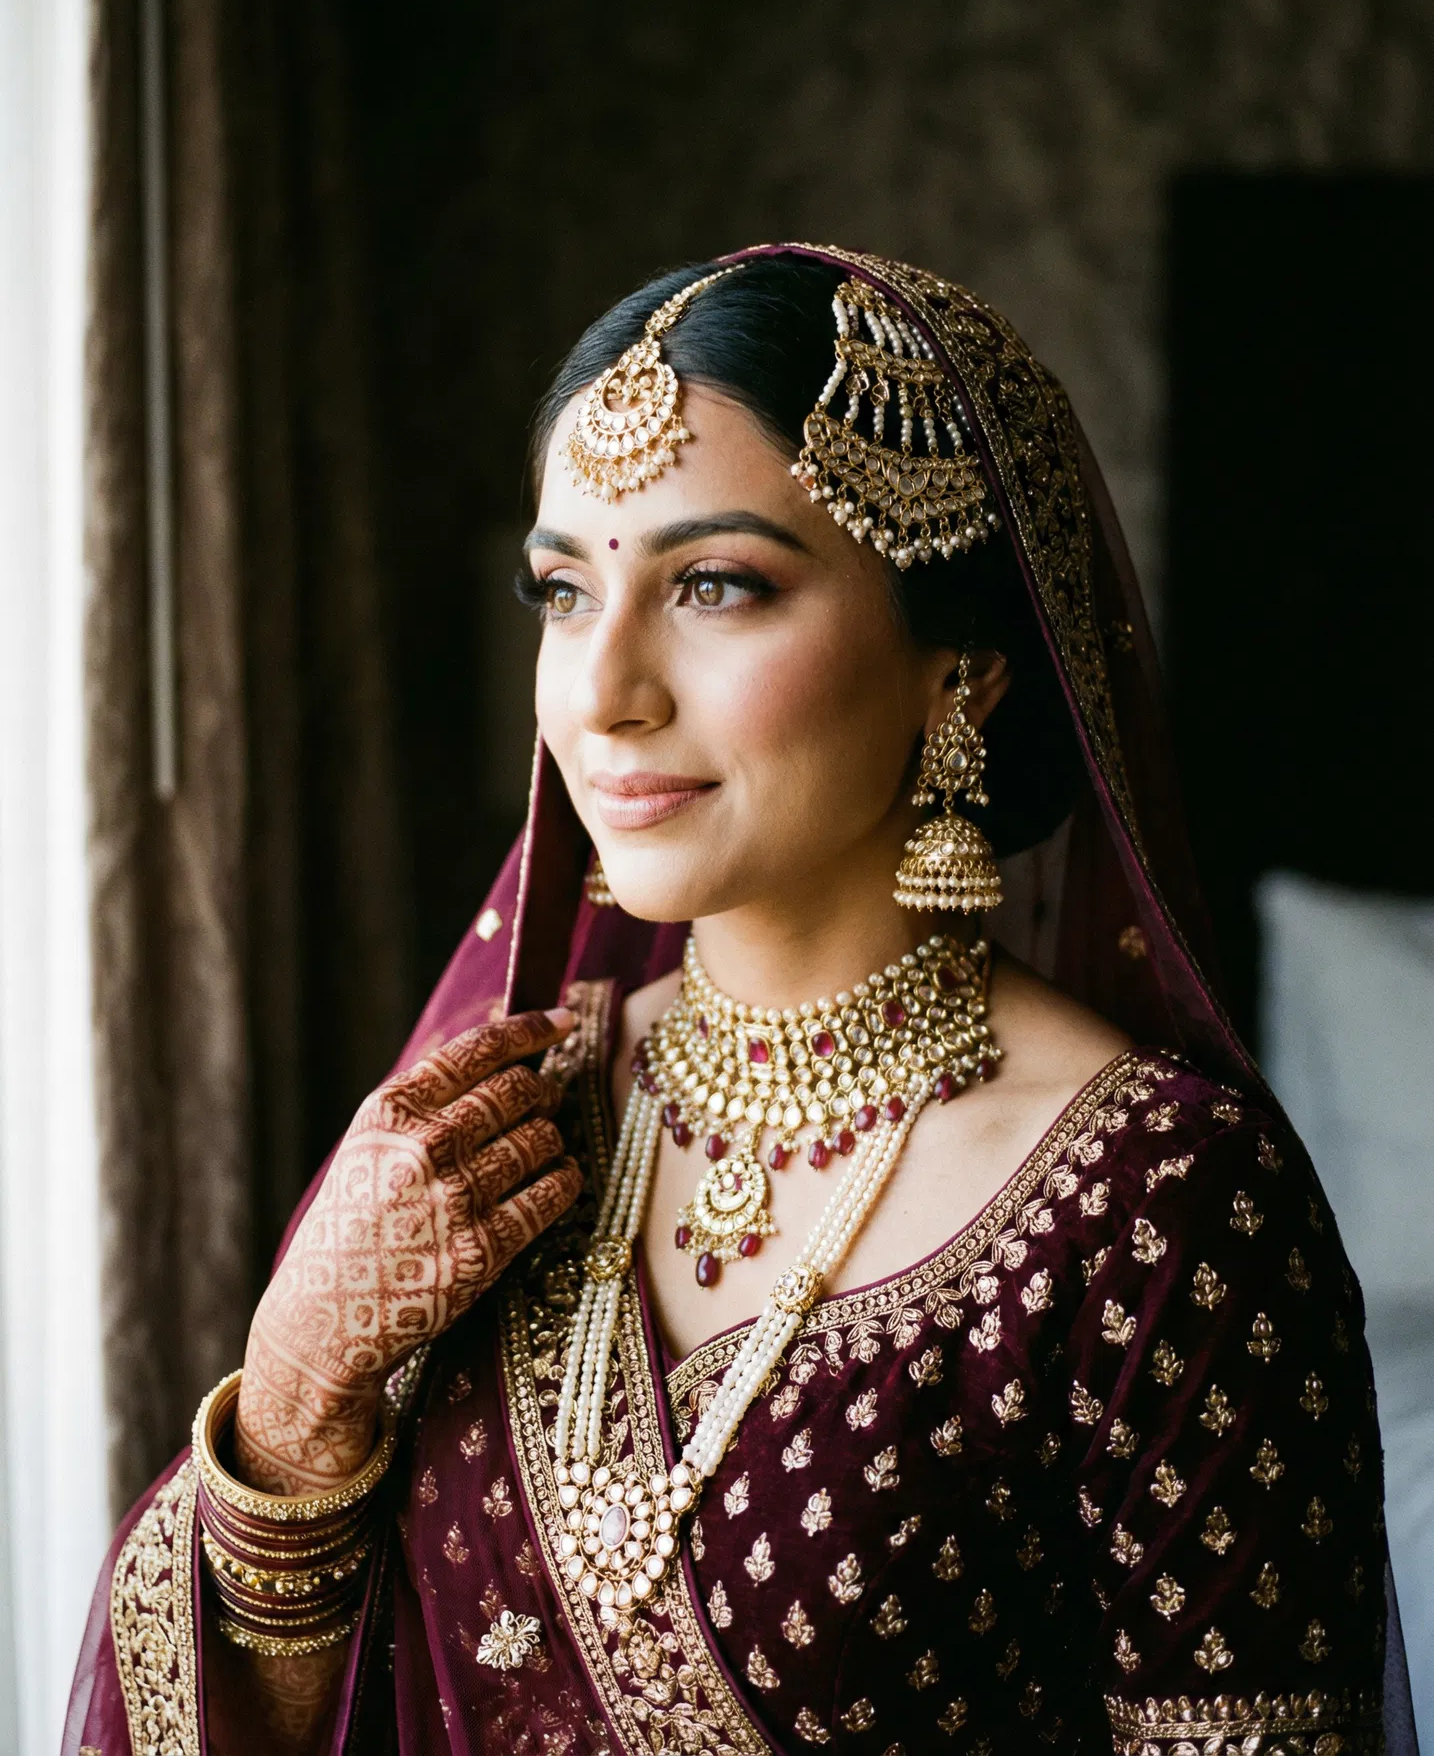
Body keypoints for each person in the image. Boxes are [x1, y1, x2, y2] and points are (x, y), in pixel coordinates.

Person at [66, 245, 1412, 1755]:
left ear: (958, 670)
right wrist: (296, 1406)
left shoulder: (1158, 1196)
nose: (602, 692)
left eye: (715, 585)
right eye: (565, 591)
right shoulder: (490, 1133)